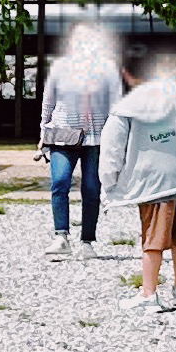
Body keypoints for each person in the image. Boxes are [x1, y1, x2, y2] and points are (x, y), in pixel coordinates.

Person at [102, 47, 176, 313]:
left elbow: (111, 150)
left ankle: (149, 294)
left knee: (153, 239)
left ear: (126, 74)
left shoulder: (125, 108)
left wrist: (110, 183)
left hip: (152, 182)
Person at [38, 28, 119, 262]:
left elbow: (115, 103)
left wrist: (117, 137)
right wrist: (43, 131)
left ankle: (87, 240)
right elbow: (48, 100)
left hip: (96, 137)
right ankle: (61, 235)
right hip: (64, 133)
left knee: (91, 189)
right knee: (60, 181)